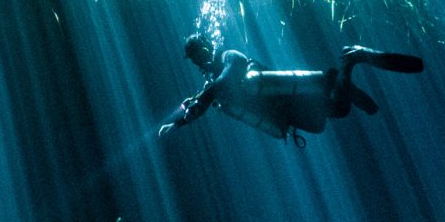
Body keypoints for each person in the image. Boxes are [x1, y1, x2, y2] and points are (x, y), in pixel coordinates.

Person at [158, 36, 422, 141]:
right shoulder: (214, 83)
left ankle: (351, 60)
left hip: (295, 98)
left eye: (196, 57)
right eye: (193, 61)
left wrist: (180, 123)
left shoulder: (230, 57)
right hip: (288, 113)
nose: (197, 64)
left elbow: (220, 85)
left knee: (340, 110)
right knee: (338, 113)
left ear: (205, 48)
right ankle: (346, 72)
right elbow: (211, 93)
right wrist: (186, 111)